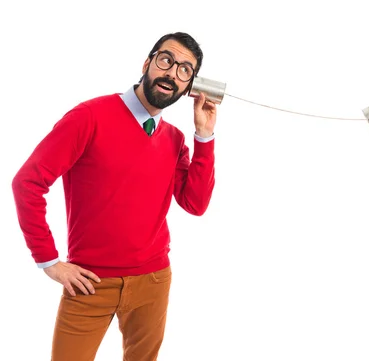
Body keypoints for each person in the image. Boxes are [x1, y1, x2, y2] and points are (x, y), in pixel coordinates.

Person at [11, 32, 217, 361]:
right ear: (148, 63)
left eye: (185, 70)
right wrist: (49, 261)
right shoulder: (88, 117)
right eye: (166, 60)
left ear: (190, 86)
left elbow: (195, 203)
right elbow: (27, 182)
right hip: (88, 283)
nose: (172, 73)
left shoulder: (175, 139)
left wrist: (204, 136)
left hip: (153, 281)